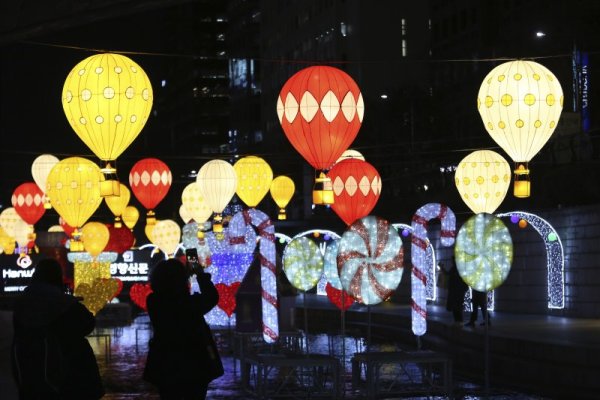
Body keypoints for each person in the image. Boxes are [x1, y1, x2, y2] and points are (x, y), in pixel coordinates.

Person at [11, 258, 104, 400]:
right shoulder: (65, 304)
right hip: (70, 373)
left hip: (31, 371)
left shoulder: (21, 304)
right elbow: (88, 324)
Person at [143, 258, 223, 400]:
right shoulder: (189, 303)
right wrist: (199, 273)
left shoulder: (154, 301)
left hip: (165, 363)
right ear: (181, 279)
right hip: (195, 363)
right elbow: (212, 297)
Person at [445, 259, 468, 324]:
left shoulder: (458, 269)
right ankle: (458, 320)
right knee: (456, 306)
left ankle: (459, 320)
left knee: (457, 305)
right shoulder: (455, 269)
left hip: (458, 290)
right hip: (456, 290)